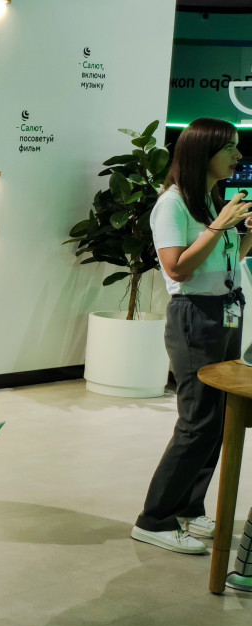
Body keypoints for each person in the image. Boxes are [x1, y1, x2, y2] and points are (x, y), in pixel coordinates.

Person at [134, 118, 252, 555]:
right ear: (205, 153)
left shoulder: (209, 199)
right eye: (230, 148)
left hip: (225, 310)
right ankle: (154, 519)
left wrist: (245, 236)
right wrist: (220, 226)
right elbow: (177, 268)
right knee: (197, 420)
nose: (238, 156)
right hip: (195, 316)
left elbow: (225, 260)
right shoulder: (172, 204)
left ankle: (187, 507)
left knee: (217, 419)